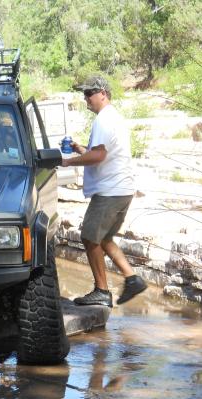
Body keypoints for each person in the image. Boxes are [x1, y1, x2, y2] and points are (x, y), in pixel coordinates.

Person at [60, 75, 147, 307]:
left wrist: (68, 162)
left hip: (110, 191)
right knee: (105, 238)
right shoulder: (113, 118)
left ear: (103, 94)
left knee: (89, 237)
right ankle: (132, 279)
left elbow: (98, 156)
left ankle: (102, 291)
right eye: (84, 94)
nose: (86, 98)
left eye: (89, 93)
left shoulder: (103, 120)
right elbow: (102, 151)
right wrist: (81, 150)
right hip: (123, 189)